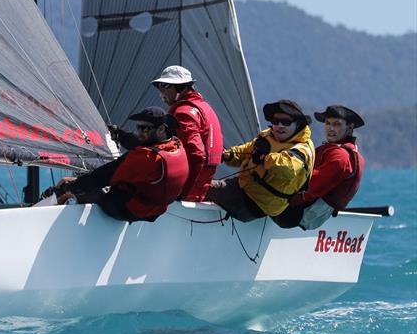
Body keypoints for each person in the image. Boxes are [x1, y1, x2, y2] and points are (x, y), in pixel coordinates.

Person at [50, 106, 189, 222]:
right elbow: (145, 145)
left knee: (74, 187)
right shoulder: (176, 145)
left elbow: (102, 177)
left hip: (129, 210)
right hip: (155, 210)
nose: (140, 132)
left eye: (145, 128)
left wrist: (68, 188)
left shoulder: (146, 158)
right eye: (138, 127)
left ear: (161, 129)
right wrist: (121, 135)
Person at [206, 100, 315, 222]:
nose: (279, 125)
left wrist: (264, 158)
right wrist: (226, 155)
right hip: (242, 187)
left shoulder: (302, 149)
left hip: (256, 203)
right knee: (203, 185)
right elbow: (247, 149)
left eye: (286, 122)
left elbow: (286, 168)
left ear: (298, 124)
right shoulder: (268, 135)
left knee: (201, 188)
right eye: (275, 121)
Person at [273, 105, 365, 229]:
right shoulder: (340, 151)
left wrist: (279, 198)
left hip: (295, 215)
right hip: (310, 216)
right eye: (328, 123)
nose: (331, 128)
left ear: (349, 128)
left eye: (337, 124)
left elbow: (311, 189)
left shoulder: (340, 157)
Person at [150, 65, 223, 201]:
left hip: (186, 190)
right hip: (200, 185)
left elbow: (197, 155)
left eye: (164, 87)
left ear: (179, 88)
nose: (161, 94)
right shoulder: (204, 107)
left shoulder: (183, 113)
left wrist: (182, 192)